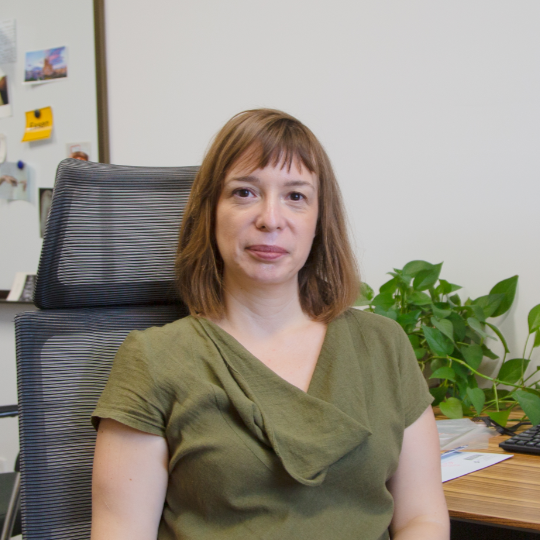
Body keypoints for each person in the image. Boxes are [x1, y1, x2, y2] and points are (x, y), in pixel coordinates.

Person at [91, 109, 449, 540]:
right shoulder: (154, 360)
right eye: (244, 192)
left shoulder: (383, 345)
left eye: (296, 196)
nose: (271, 219)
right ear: (210, 212)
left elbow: (422, 518)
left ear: (319, 221)